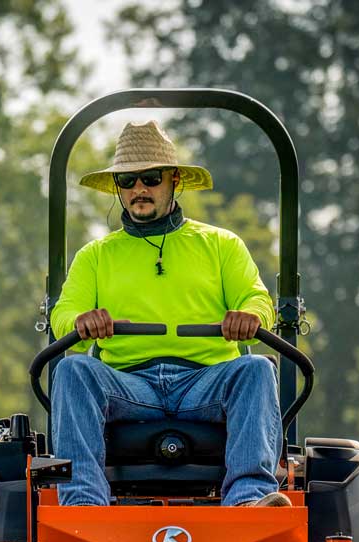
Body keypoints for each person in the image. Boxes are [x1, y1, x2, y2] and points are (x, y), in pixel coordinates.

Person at [48, 120, 290, 508]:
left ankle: (249, 501)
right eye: (127, 181)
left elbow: (257, 300)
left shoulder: (220, 245)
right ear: (118, 188)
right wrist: (81, 322)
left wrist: (249, 316)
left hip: (205, 382)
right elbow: (64, 315)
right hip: (129, 385)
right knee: (73, 370)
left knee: (257, 369)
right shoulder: (95, 256)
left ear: (174, 180)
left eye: (150, 178)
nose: (139, 189)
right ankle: (83, 504)